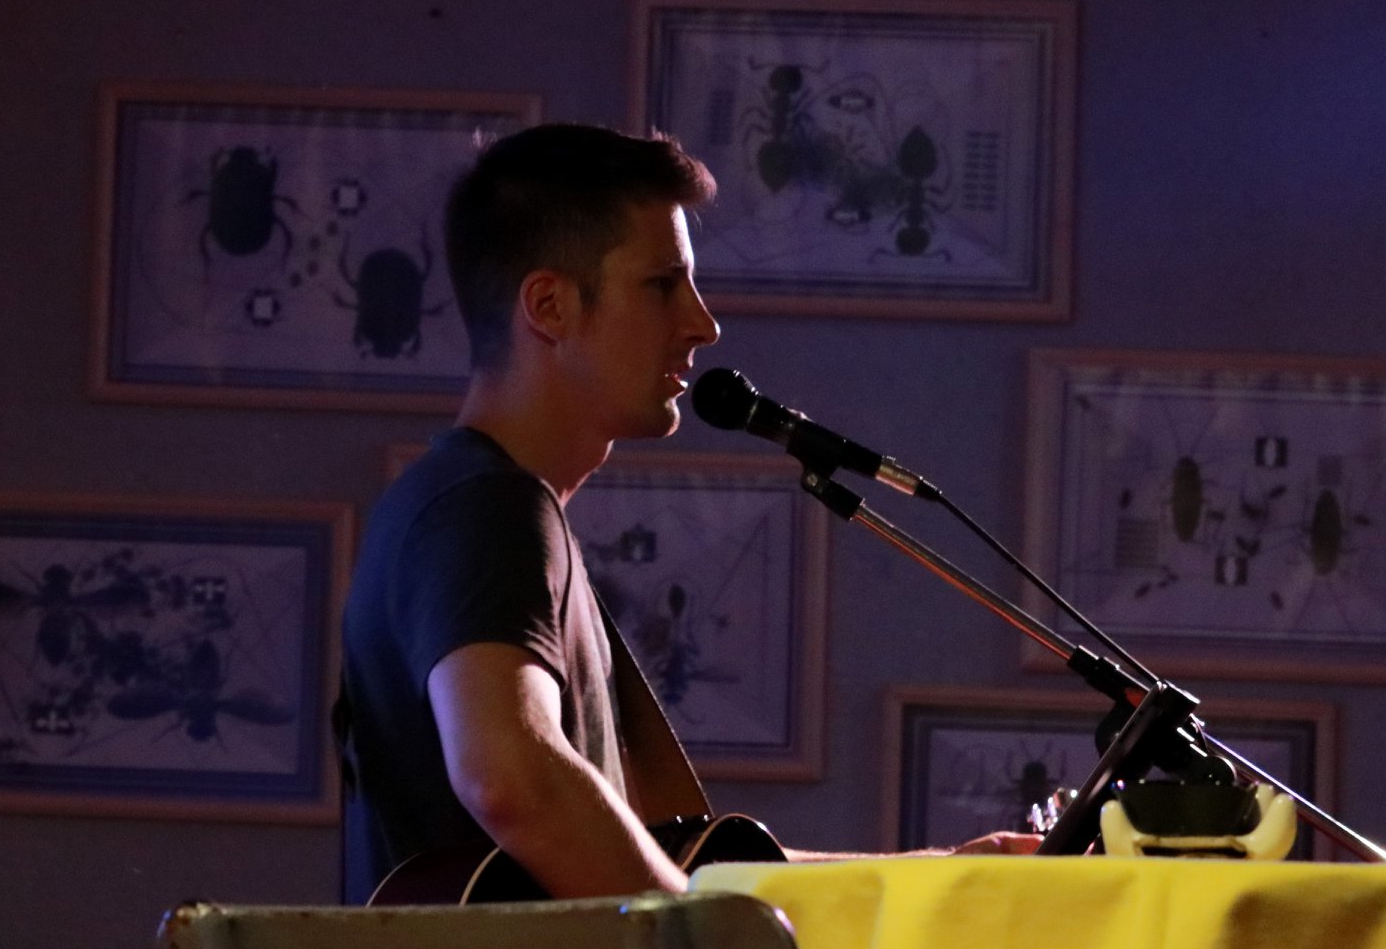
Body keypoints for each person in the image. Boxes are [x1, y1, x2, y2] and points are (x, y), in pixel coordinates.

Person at [336, 123, 1036, 904]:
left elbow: (673, 873)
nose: (703, 323)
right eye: (662, 285)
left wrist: (948, 870)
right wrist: (694, 943)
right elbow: (509, 779)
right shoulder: (487, 507)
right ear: (550, 306)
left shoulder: (475, 508)